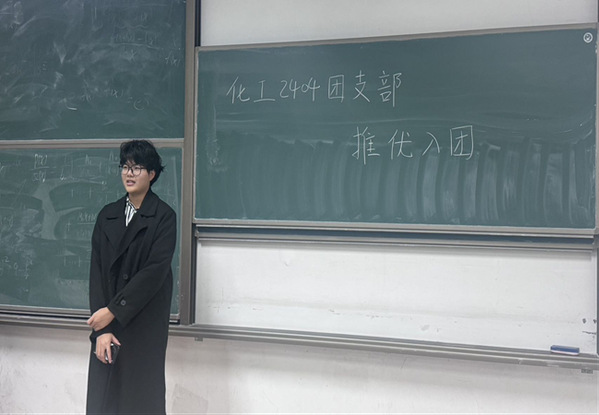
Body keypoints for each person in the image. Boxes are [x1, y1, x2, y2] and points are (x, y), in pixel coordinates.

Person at [86, 139, 176, 414]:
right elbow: (97, 273)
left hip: (143, 326)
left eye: (137, 168)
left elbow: (154, 273)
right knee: (105, 401)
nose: (129, 173)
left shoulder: (164, 217)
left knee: (140, 400)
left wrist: (113, 311)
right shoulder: (107, 215)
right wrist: (102, 329)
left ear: (152, 174)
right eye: (125, 167)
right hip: (108, 326)